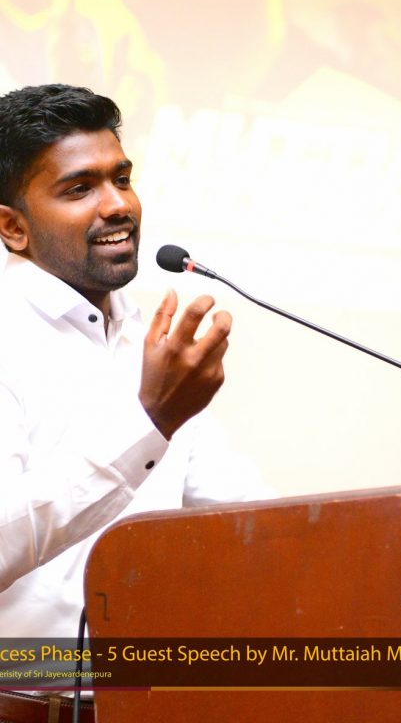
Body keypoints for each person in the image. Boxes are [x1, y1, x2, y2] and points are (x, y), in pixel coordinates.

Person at [0, 84, 269, 722]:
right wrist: (148, 422)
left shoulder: (139, 335)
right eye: (79, 189)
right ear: (13, 227)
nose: (118, 204)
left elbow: (240, 513)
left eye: (122, 178)